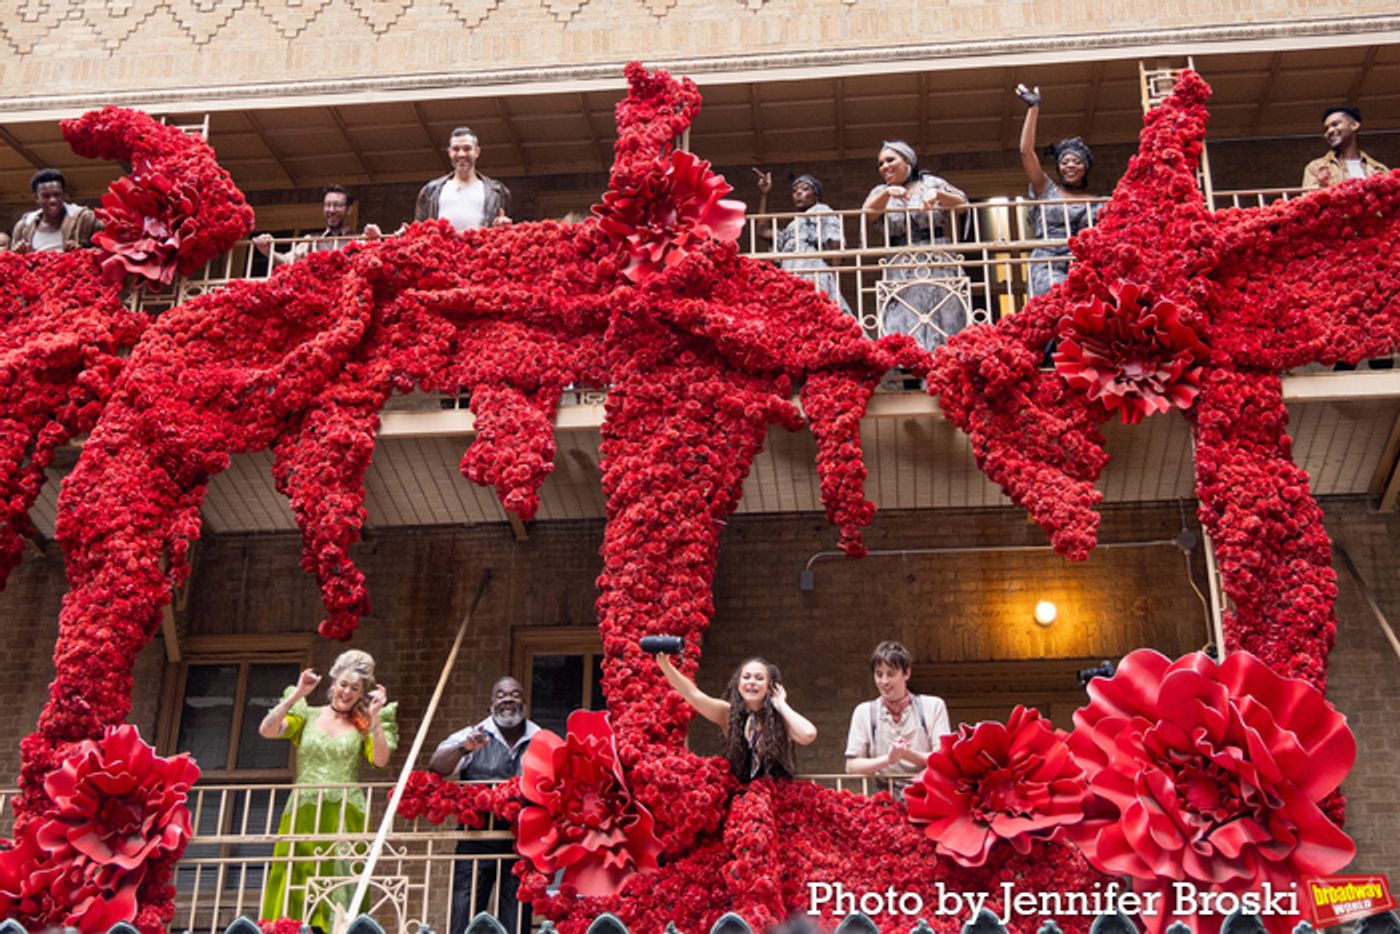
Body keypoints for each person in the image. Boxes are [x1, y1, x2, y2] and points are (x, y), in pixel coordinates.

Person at [258, 650, 397, 931]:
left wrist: (376, 718)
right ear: (333, 683)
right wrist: (297, 695)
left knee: (340, 883)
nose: (346, 692)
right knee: (295, 878)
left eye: (355, 688)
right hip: (303, 811)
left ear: (361, 694)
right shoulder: (306, 715)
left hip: (345, 813)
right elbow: (267, 730)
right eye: (343, 684)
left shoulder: (363, 725)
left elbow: (381, 760)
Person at [429, 677, 539, 934]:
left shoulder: (540, 737)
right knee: (464, 917)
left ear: (524, 702)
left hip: (519, 846)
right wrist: (465, 748)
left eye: (514, 694)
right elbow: (437, 766)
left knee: (516, 921)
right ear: (491, 703)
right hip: (475, 842)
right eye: (501, 695)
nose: (508, 699)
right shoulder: (472, 734)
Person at [861, 141, 968, 351]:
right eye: (881, 163)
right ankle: (910, 374)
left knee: (941, 317)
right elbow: (868, 213)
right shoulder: (880, 191)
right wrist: (887, 194)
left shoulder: (930, 183)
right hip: (901, 263)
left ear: (907, 160)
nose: (884, 166)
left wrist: (938, 195)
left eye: (890, 160)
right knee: (904, 322)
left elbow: (962, 204)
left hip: (936, 260)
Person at [655, 652, 817, 781]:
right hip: (741, 800)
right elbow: (693, 695)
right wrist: (666, 666)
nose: (752, 682)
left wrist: (780, 704)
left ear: (769, 687)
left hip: (777, 799)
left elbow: (808, 734)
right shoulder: (727, 713)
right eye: (746, 677)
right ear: (738, 684)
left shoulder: (781, 718)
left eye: (759, 678)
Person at [1016, 85, 1099, 298]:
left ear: (1086, 167)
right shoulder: (1046, 189)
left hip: (1082, 264)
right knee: (1056, 302)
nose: (1070, 165)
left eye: (1076, 161)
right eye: (1065, 161)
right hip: (1047, 263)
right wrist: (1033, 108)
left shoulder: (1099, 202)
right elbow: (1026, 152)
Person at [844, 641, 950, 791]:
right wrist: (889, 759)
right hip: (884, 797)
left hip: (927, 794)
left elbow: (944, 761)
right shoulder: (864, 712)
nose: (884, 681)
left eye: (891, 674)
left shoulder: (933, 706)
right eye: (879, 674)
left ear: (907, 673)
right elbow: (851, 766)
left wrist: (907, 754)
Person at [753, 168, 852, 316]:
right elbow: (762, 231)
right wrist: (765, 194)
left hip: (812, 274)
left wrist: (832, 277)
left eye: (805, 189)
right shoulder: (792, 227)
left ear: (816, 195)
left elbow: (835, 244)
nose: (798, 193)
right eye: (795, 190)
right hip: (791, 274)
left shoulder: (821, 210)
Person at [252, 184, 382, 269]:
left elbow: (380, 260)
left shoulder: (359, 239)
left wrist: (376, 240)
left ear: (349, 210)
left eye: (337, 205)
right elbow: (288, 260)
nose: (331, 210)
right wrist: (267, 251)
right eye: (327, 205)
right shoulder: (311, 240)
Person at [414, 127, 513, 231]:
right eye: (456, 149)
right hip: (440, 247)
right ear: (449, 152)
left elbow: (509, 235)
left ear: (477, 152)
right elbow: (417, 233)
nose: (461, 154)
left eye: (467, 148)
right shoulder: (430, 191)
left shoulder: (498, 192)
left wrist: (504, 227)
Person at [10, 168, 100, 254]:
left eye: (57, 195)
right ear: (36, 198)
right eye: (46, 196)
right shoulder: (24, 226)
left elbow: (105, 250)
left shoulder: (85, 218)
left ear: (64, 194)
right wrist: (18, 252)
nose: (52, 200)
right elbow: (11, 262)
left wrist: (82, 252)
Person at [1302, 105, 1389, 190]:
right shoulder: (1316, 167)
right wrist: (1322, 187)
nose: (1330, 131)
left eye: (1335, 124)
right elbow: (1306, 202)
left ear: (1354, 125)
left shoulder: (1378, 169)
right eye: (1326, 129)